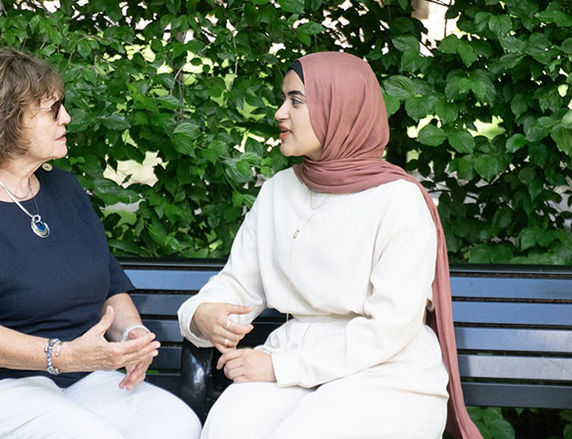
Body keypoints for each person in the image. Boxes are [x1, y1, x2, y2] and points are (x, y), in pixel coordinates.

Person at [0, 48, 201, 439]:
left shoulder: (63, 189)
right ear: (4, 120)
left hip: (72, 380)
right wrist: (62, 356)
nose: (66, 118)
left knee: (177, 426)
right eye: (52, 110)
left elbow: (110, 286)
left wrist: (131, 337)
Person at [177, 52, 482, 439]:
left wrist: (280, 368)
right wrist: (203, 315)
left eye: (295, 100)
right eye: (283, 99)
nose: (279, 113)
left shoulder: (398, 200)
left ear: (339, 107)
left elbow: (390, 328)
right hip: (290, 362)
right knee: (225, 429)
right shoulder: (278, 191)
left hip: (387, 376)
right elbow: (239, 284)